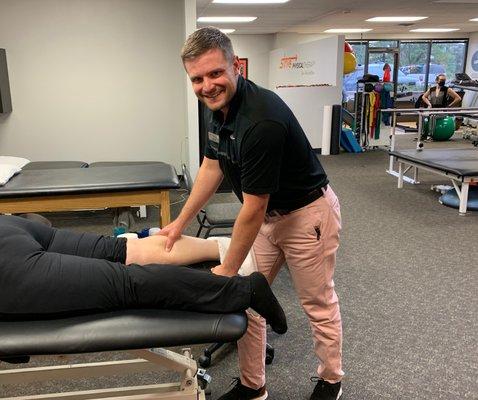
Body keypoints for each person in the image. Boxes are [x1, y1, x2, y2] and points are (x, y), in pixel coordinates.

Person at [160, 27, 343, 400]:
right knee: (248, 299)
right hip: (265, 216)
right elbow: (212, 167)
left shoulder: (261, 121)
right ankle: (252, 385)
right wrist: (179, 222)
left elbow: (254, 208)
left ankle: (330, 379)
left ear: (235, 66)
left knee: (317, 303)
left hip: (306, 215)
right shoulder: (218, 107)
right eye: (197, 79)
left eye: (215, 73)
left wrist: (227, 271)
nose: (207, 86)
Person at [0, 214, 287, 336]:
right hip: (11, 227)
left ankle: (244, 290)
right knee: (121, 249)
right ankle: (222, 254)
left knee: (127, 283)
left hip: (9, 266)